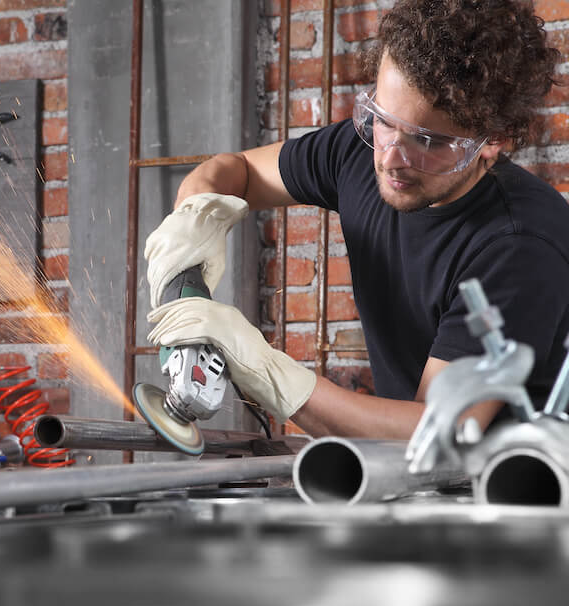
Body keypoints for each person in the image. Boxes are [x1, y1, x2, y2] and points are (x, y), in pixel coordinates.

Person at [144, 0, 568, 440]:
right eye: (382, 120)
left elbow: (441, 431)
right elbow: (238, 171)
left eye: (426, 140)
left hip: (517, 489)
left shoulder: (520, 244)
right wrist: (193, 222)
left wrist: (267, 370)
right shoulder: (362, 153)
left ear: (491, 140)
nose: (391, 159)